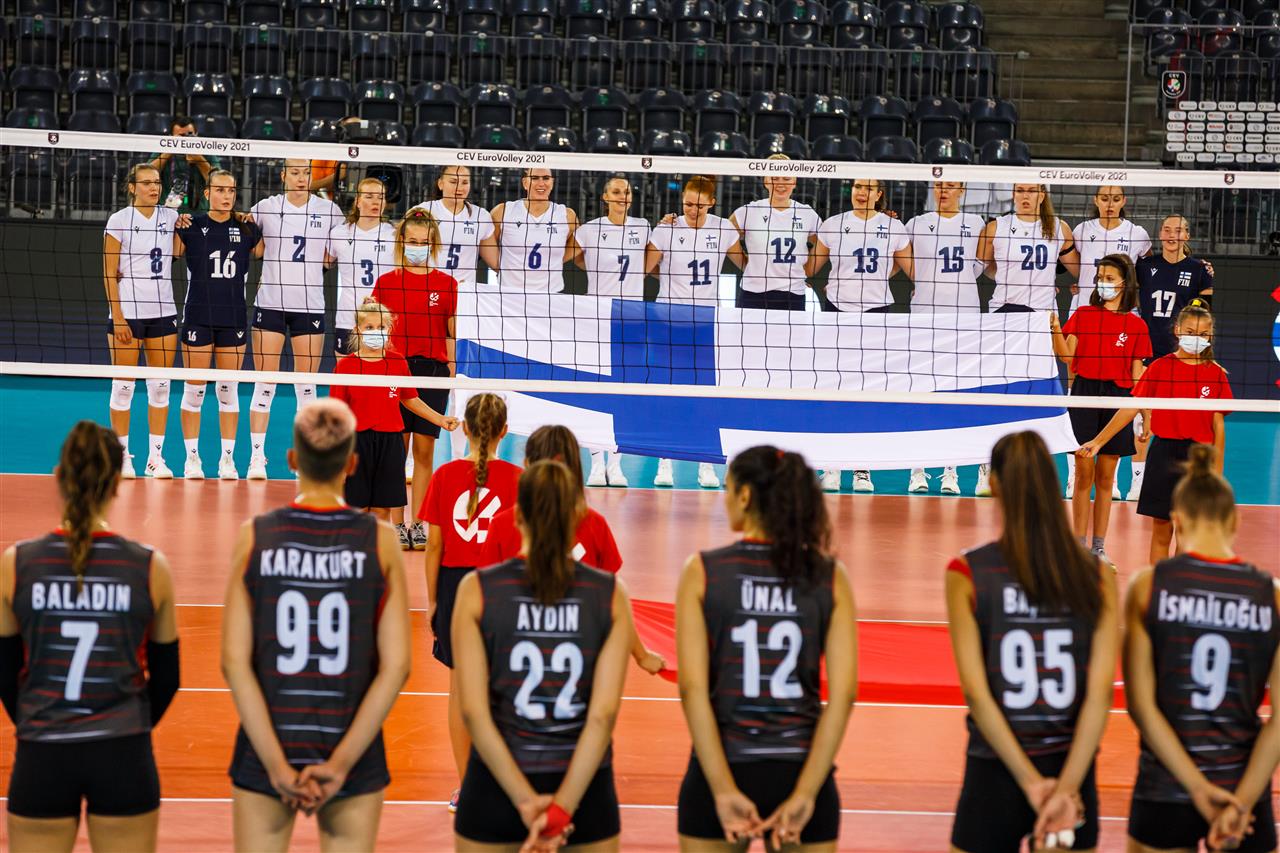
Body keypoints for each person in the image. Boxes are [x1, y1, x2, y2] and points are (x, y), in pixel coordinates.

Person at [222, 398, 412, 853]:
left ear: (292, 460)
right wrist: (342, 763)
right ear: (352, 464)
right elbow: (397, 666)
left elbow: (234, 662)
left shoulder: (256, 535)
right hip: (352, 742)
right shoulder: (380, 540)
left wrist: (274, 764)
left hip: (270, 739)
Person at [1, 421, 180, 853]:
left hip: (43, 752)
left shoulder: (17, 563)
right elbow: (168, 678)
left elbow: (4, 671)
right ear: (117, 482)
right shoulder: (148, 567)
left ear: (59, 476)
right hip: (123, 754)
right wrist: (131, 728)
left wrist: (36, 721)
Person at [675, 446, 857, 851]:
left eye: (727, 489)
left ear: (744, 495)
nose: (724, 499)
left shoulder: (703, 572)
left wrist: (722, 789)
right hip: (800, 765)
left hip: (722, 763)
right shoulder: (829, 576)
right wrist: (807, 793)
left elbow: (692, 689)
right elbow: (844, 694)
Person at [946, 431, 1118, 853]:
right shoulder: (1098, 575)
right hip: (1070, 767)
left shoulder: (967, 572)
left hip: (996, 767)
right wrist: (1066, 789)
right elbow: (1099, 694)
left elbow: (977, 694)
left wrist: (1030, 785)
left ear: (995, 485)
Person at [452, 460, 634, 851]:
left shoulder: (476, 590)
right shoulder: (609, 594)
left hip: (495, 782)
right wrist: (561, 809)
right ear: (578, 517)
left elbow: (474, 712)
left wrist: (524, 801)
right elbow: (602, 716)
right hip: (584, 786)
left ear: (517, 516)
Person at [1123, 444, 1280, 853]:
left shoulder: (1149, 586)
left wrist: (1195, 787)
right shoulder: (1271, 596)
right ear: (1235, 520)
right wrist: (1241, 803)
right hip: (1239, 783)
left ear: (1177, 519)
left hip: (1165, 786)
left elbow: (1141, 706)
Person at [480, 424, 666, 676]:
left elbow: (488, 599)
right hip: (580, 657)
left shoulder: (503, 525)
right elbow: (613, 600)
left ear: (526, 464)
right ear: (575, 468)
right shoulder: (594, 525)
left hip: (516, 657)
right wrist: (641, 655)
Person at [418, 392, 521, 813]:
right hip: (503, 588)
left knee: (460, 692)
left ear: (463, 428)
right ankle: (506, 782)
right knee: (505, 691)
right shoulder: (519, 479)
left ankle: (468, 789)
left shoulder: (444, 475)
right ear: (504, 432)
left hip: (456, 589)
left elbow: (434, 546)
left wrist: (432, 602)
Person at [1079, 303, 1232, 565]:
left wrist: (1216, 474)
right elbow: (1130, 408)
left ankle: (1179, 584)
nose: (1196, 338)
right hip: (1163, 455)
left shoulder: (1216, 374)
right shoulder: (1160, 367)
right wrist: (1098, 441)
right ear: (1177, 330)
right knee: (1161, 530)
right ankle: (1158, 584)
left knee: (1187, 533)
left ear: (1210, 336)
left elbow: (1218, 427)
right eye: (1190, 332)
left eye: (1203, 334)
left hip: (1198, 460)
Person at [809, 177, 914, 493]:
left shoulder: (893, 227)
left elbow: (910, 268)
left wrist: (881, 278)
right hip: (837, 310)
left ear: (879, 194)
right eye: (857, 187)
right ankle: (831, 465)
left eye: (868, 188)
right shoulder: (833, 224)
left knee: (868, 390)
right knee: (834, 387)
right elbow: (811, 268)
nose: (861, 192)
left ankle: (862, 467)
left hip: (876, 312)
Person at [974, 184, 1079, 497]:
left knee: (1037, 397)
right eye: (1020, 190)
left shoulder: (1059, 229)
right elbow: (981, 268)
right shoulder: (996, 227)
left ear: (1042, 195)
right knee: (997, 392)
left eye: (1031, 191)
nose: (1024, 196)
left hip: (1040, 320)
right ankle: (987, 469)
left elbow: (1081, 270)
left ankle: (1033, 469)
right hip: (1004, 315)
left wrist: (1080, 287)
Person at [245, 159, 345, 480]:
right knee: (265, 382)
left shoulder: (329, 210)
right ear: (283, 175)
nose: (301, 178)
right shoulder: (266, 207)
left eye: (306, 173)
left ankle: (308, 460)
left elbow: (333, 255)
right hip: (270, 303)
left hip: (309, 306)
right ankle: (256, 458)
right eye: (295, 172)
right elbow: (253, 248)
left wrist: (315, 268)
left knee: (306, 386)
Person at [1049, 254, 1151, 565]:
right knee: (1083, 475)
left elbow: (1138, 376)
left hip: (1117, 398)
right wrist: (1055, 329)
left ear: (1124, 283)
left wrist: (1147, 414)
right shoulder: (1083, 314)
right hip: (1085, 395)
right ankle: (1078, 547)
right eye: (1100, 278)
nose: (1102, 283)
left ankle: (1098, 548)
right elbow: (1067, 356)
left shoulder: (1136, 325)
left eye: (1109, 278)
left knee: (1106, 478)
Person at [648, 175, 745, 490]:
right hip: (669, 320)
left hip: (706, 323)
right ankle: (665, 461)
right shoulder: (667, 229)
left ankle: (707, 464)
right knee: (667, 392)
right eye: (688, 204)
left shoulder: (723, 229)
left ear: (712, 203)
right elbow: (644, 267)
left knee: (706, 394)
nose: (693, 210)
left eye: (700, 206)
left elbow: (747, 264)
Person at [329, 302, 458, 537]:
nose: (375, 332)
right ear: (357, 330)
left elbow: (410, 399)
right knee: (357, 508)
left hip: (390, 442)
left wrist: (440, 419)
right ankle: (357, 550)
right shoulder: (346, 366)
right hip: (357, 443)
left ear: (388, 330)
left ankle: (377, 552)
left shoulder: (397, 362)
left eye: (381, 327)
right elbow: (336, 413)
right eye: (369, 327)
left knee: (382, 509)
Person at [370, 208, 459, 551]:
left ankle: (419, 524)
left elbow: (452, 333)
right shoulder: (387, 282)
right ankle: (396, 524)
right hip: (395, 369)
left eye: (424, 242)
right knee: (397, 450)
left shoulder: (447, 284)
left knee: (424, 451)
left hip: (432, 372)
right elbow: (373, 329)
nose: (418, 247)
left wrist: (452, 371)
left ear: (433, 244)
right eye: (412, 241)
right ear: (401, 242)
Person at [410, 164, 501, 471]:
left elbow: (497, 261)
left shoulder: (480, 217)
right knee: (418, 373)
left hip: (462, 305)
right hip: (426, 298)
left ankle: (459, 456)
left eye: (464, 181)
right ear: (440, 183)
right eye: (453, 180)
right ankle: (408, 458)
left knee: (457, 378)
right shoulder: (424, 211)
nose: (459, 186)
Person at [176, 168, 264, 481]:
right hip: (198, 316)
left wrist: (250, 220)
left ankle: (228, 460)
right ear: (207, 193)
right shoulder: (190, 226)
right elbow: (166, 253)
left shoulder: (247, 229)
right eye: (220, 190)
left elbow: (268, 256)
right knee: (194, 391)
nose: (226, 196)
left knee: (228, 390)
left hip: (233, 318)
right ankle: (192, 459)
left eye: (231, 190)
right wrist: (175, 218)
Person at [570, 174, 656, 488]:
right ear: (605, 197)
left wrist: (637, 276)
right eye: (616, 192)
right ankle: (596, 464)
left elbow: (654, 254)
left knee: (624, 389)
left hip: (631, 317)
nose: (622, 196)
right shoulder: (590, 229)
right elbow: (572, 256)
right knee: (595, 389)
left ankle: (616, 464)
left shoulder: (642, 226)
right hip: (597, 316)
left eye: (627, 192)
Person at [1065, 186, 1151, 500]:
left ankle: (1113, 479)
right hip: (1086, 319)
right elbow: (1072, 265)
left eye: (1115, 198)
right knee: (1076, 380)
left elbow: (1148, 269)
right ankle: (1074, 477)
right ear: (1095, 200)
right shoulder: (1081, 231)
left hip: (1120, 328)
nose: (1110, 203)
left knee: (1124, 386)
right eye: (1104, 198)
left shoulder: (1138, 234)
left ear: (1124, 201)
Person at [905, 180, 987, 496]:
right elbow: (901, 260)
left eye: (951, 186)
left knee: (956, 395)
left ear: (962, 190)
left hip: (964, 318)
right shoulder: (916, 223)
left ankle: (950, 470)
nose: (944, 191)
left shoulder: (977, 223)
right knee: (922, 394)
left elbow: (983, 266)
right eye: (939, 186)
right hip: (924, 317)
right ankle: (918, 469)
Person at [103, 163, 184, 479]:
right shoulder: (119, 220)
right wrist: (118, 316)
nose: (154, 187)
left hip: (163, 312)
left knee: (161, 387)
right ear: (132, 187)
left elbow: (179, 250)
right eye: (147, 183)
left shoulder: (171, 217)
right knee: (123, 387)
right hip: (129, 314)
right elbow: (109, 272)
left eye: (157, 182)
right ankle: (123, 457)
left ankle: (155, 458)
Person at [1130, 214, 1216, 502]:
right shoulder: (1145, 267)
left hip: (1182, 355)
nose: (1170, 234)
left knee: (1183, 419)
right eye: (1166, 229)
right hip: (1148, 351)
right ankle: (1138, 482)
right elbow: (1131, 296)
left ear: (1186, 236)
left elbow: (1204, 314)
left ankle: (1187, 480)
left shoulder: (1199, 270)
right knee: (1142, 418)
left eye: (1177, 230)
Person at [729, 154, 822, 311]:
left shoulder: (807, 213)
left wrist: (807, 270)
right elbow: (725, 236)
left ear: (794, 182)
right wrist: (745, 265)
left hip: (793, 295)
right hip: (753, 293)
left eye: (786, 178)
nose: (780, 184)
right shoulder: (749, 211)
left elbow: (824, 242)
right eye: (774, 178)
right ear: (766, 181)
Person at [328, 177, 397, 358]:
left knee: (379, 373)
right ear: (358, 201)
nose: (376, 201)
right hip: (348, 319)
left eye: (381, 197)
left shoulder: (394, 236)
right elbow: (324, 263)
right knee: (344, 372)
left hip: (381, 321)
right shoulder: (339, 233)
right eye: (369, 196)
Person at [491, 167, 580, 293]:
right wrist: (505, 270)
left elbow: (578, 244)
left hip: (551, 296)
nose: (541, 183)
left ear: (552, 182)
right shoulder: (503, 212)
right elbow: (487, 247)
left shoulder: (567, 215)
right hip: (509, 295)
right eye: (535, 178)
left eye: (546, 178)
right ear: (525, 182)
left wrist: (556, 260)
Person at [148, 115, 218, 212]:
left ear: (197, 135)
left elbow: (218, 181)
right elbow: (147, 174)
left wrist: (199, 160)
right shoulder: (162, 150)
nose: (185, 140)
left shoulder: (206, 151)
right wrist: (168, 152)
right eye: (180, 137)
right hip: (166, 212)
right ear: (171, 137)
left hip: (198, 212)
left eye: (189, 135)